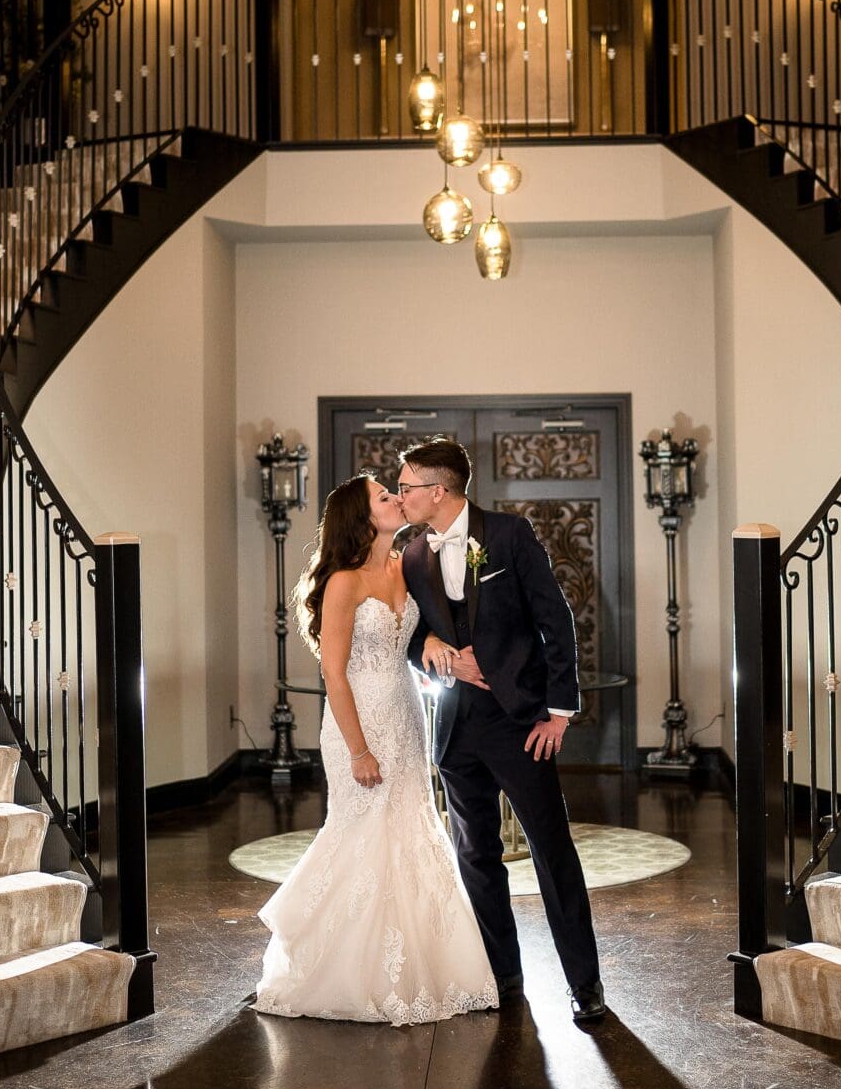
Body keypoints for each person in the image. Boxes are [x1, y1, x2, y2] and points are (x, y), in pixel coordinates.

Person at [254, 471, 498, 1025]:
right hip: (357, 722)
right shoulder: (342, 582)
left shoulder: (406, 565)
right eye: (384, 497)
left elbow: (416, 633)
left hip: (406, 716)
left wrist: (434, 639)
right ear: (362, 518)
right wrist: (360, 750)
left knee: (410, 830)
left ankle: (422, 968)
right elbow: (334, 677)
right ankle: (345, 971)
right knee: (361, 834)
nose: (396, 499)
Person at [396, 440, 606, 1026]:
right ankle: (502, 975)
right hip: (455, 729)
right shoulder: (412, 556)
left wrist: (558, 711)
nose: (403, 495)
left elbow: (554, 619)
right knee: (476, 855)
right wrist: (430, 648)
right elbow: (403, 633)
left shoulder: (510, 536)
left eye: (408, 486)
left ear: (439, 490)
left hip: (521, 724)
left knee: (551, 850)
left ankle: (584, 983)